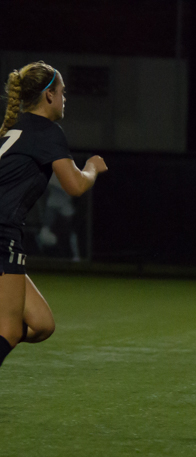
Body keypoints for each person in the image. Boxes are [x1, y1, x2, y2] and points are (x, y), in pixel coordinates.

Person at [0, 61, 107, 369]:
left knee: (42, 323)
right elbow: (74, 185)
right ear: (48, 96)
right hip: (2, 234)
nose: (64, 98)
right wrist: (92, 168)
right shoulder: (47, 131)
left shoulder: (15, 130)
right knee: (8, 331)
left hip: (4, 233)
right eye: (62, 92)